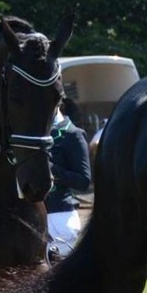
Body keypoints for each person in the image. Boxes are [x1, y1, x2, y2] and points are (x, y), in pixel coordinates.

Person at [44, 99, 93, 258]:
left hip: (59, 216)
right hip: (33, 215)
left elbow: (83, 180)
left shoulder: (73, 134)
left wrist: (50, 169)